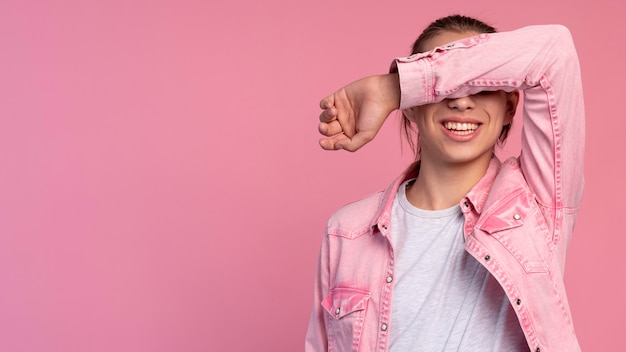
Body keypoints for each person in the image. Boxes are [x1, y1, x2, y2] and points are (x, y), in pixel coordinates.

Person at [305, 15, 584, 352]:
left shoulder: (534, 206)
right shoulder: (346, 232)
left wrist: (397, 86)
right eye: (445, 88)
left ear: (510, 107)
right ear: (410, 108)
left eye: (480, 86)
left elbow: (554, 51)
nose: (462, 101)